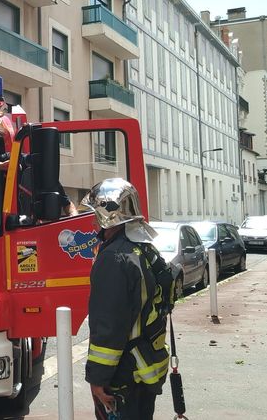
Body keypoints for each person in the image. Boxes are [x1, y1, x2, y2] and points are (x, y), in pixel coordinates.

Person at [81, 178, 174, 419]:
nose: (92, 222)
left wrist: (98, 379)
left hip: (123, 377)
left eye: (95, 214)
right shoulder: (144, 249)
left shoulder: (114, 259)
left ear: (108, 216)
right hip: (147, 369)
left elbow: (109, 328)